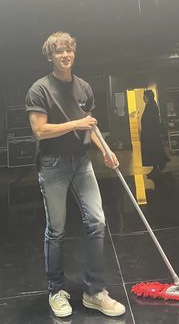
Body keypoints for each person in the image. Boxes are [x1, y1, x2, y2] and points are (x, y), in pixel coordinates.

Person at [25, 31, 126, 318]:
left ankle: (95, 291)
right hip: (52, 164)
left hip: (82, 162)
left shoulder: (83, 88)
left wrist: (105, 149)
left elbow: (90, 126)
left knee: (97, 221)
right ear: (50, 56)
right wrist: (76, 123)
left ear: (74, 53)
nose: (65, 55)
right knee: (56, 230)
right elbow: (40, 130)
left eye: (69, 50)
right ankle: (56, 290)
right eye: (59, 52)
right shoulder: (39, 89)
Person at [140, 89, 169, 178]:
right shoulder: (151, 105)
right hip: (151, 134)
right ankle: (157, 165)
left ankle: (157, 167)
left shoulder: (151, 106)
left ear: (147, 97)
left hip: (151, 134)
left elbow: (149, 120)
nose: (143, 98)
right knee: (155, 150)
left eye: (144, 96)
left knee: (153, 151)